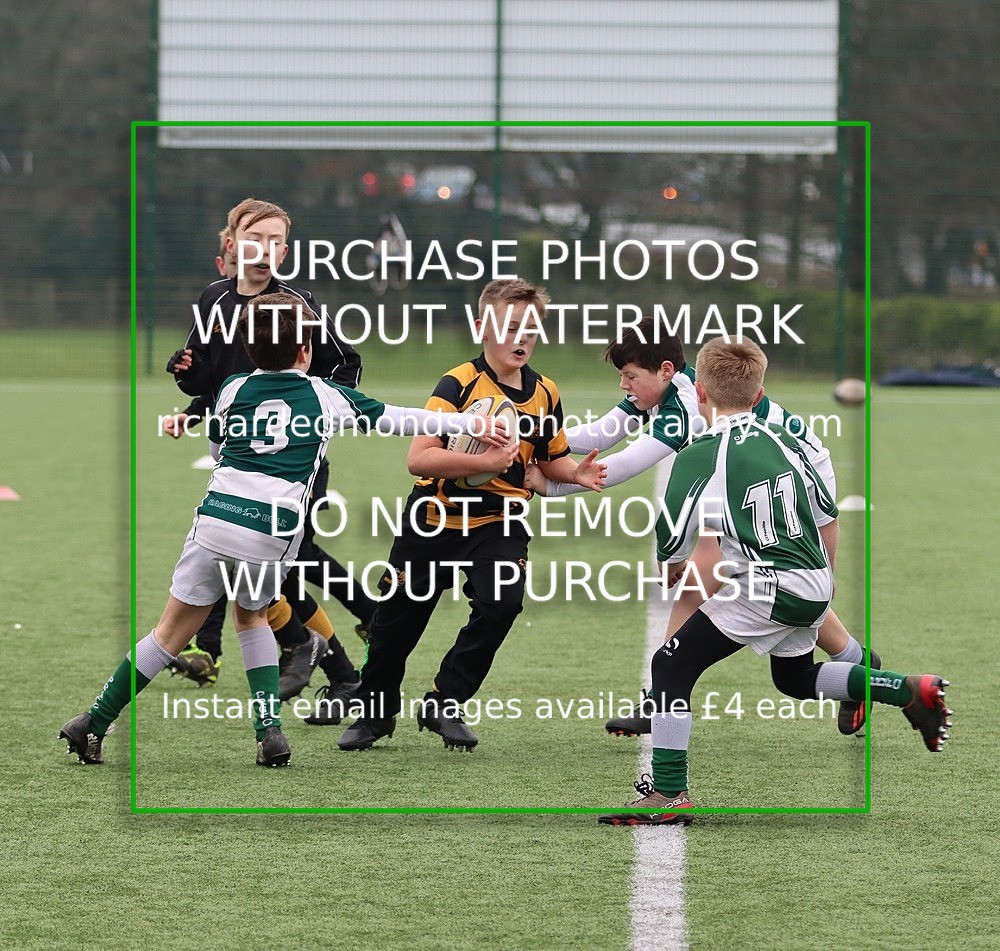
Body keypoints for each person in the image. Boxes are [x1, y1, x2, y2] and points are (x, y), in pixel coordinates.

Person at [60, 293, 511, 767]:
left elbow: (220, 450)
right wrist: (467, 420)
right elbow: (398, 419)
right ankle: (268, 733)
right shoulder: (325, 395)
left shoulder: (232, 387)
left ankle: (94, 721)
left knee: (169, 632)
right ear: (305, 351)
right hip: (269, 531)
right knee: (252, 616)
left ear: (250, 350)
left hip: (215, 521)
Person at [598, 338, 951, 825]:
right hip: (812, 581)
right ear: (760, 389)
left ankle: (668, 794)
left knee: (670, 667)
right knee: (794, 679)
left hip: (769, 588)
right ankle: (905, 688)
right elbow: (826, 513)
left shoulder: (702, 452)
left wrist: (671, 566)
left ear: (699, 390)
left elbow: (671, 531)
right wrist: (821, 576)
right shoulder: (787, 438)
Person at [525, 317, 881, 737]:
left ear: (665, 371)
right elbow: (600, 434)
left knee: (716, 580)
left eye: (629, 376)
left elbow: (618, 467)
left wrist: (546, 484)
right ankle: (859, 663)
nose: (624, 385)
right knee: (774, 586)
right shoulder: (669, 389)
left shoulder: (688, 407)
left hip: (788, 469)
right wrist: (528, 431)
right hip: (745, 468)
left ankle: (662, 697)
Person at [338, 278, 607, 752]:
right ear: (482, 326)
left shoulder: (545, 391)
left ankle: (445, 702)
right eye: (510, 327)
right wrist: (484, 462)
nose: (521, 338)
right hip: (434, 519)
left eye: (531, 328)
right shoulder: (459, 381)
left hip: (499, 521)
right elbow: (419, 458)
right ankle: (375, 715)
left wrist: (576, 474)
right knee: (395, 625)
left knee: (501, 605)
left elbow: (551, 461)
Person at [164, 199, 376, 693]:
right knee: (269, 565)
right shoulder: (213, 299)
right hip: (233, 458)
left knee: (279, 560)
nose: (267, 249)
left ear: (285, 249)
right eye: (257, 239)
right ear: (233, 245)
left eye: (277, 240)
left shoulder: (297, 304)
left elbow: (346, 362)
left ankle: (345, 638)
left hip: (294, 461)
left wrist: (317, 408)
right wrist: (187, 373)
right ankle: (343, 667)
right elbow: (207, 380)